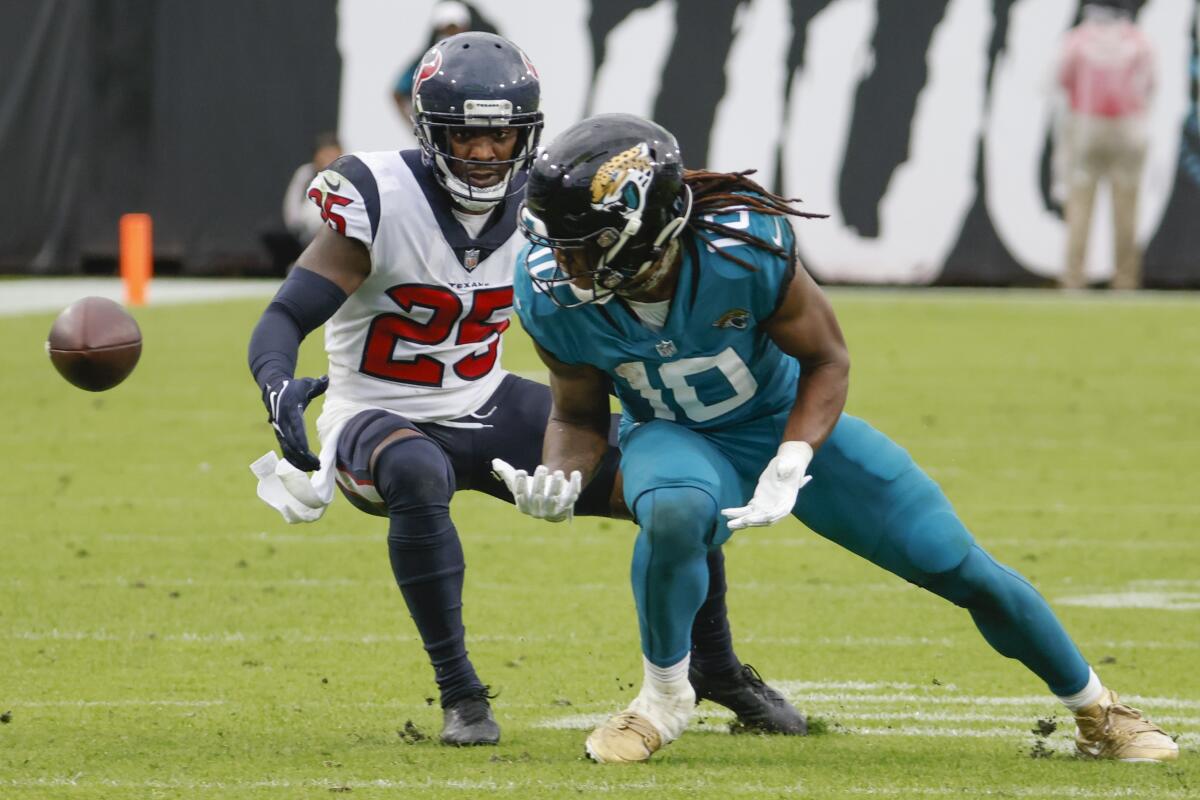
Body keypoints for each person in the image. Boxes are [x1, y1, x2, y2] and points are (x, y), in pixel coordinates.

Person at [497, 112, 1180, 764]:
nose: (564, 260)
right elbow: (580, 416)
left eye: (581, 244)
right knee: (675, 511)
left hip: (779, 420)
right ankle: (662, 699)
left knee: (952, 559)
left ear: (644, 228)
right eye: (557, 240)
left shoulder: (740, 252)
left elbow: (827, 359)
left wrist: (794, 457)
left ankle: (1100, 711)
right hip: (674, 436)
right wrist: (564, 476)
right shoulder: (548, 292)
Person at [247, 34, 805, 747]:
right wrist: (276, 386)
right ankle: (462, 696)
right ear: (428, 131)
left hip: (486, 397)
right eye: (467, 135)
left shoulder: (553, 201)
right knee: (417, 469)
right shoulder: (378, 195)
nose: (484, 153)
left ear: (527, 133)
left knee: (671, 487)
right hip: (375, 412)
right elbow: (285, 315)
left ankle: (717, 667)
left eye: (500, 134)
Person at [1057, 0, 1155, 290]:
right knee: (1126, 208)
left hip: (1087, 127)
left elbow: (1062, 77)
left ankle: (1074, 279)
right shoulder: (1138, 41)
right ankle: (1125, 281)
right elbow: (1151, 83)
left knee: (1079, 205)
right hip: (1128, 128)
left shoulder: (1078, 39)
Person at [392, 1, 473, 124]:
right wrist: (416, 126)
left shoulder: (479, 58)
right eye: (445, 29)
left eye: (454, 28)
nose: (451, 34)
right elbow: (397, 94)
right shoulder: (426, 62)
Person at [284, 133, 344, 249]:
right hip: (306, 232)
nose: (329, 158)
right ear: (316, 156)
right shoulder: (305, 174)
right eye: (325, 154)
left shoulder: (349, 176)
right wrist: (297, 226)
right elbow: (292, 205)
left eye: (333, 154)